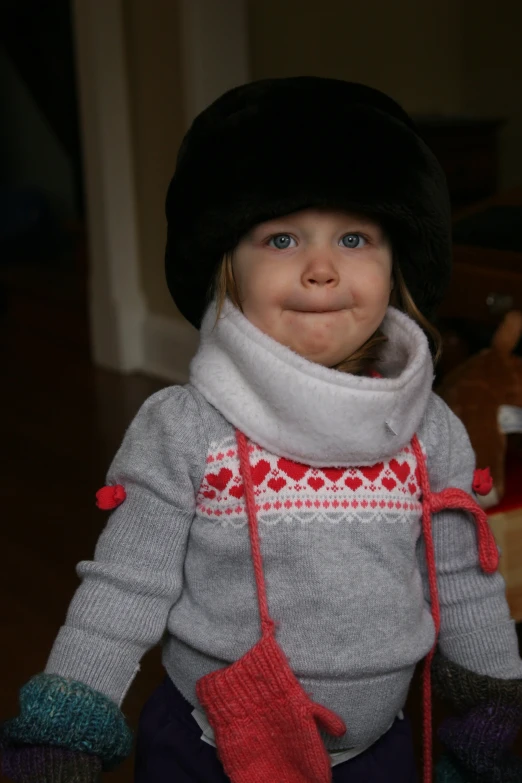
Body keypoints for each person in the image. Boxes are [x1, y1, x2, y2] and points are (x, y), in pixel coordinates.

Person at [2, 77, 522, 783]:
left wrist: (492, 700)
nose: (320, 267)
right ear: (227, 268)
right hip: (208, 753)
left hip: (379, 756)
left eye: (353, 236)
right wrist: (66, 721)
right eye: (281, 236)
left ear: (395, 260)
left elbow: (464, 578)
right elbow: (125, 585)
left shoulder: (430, 431)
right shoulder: (185, 429)